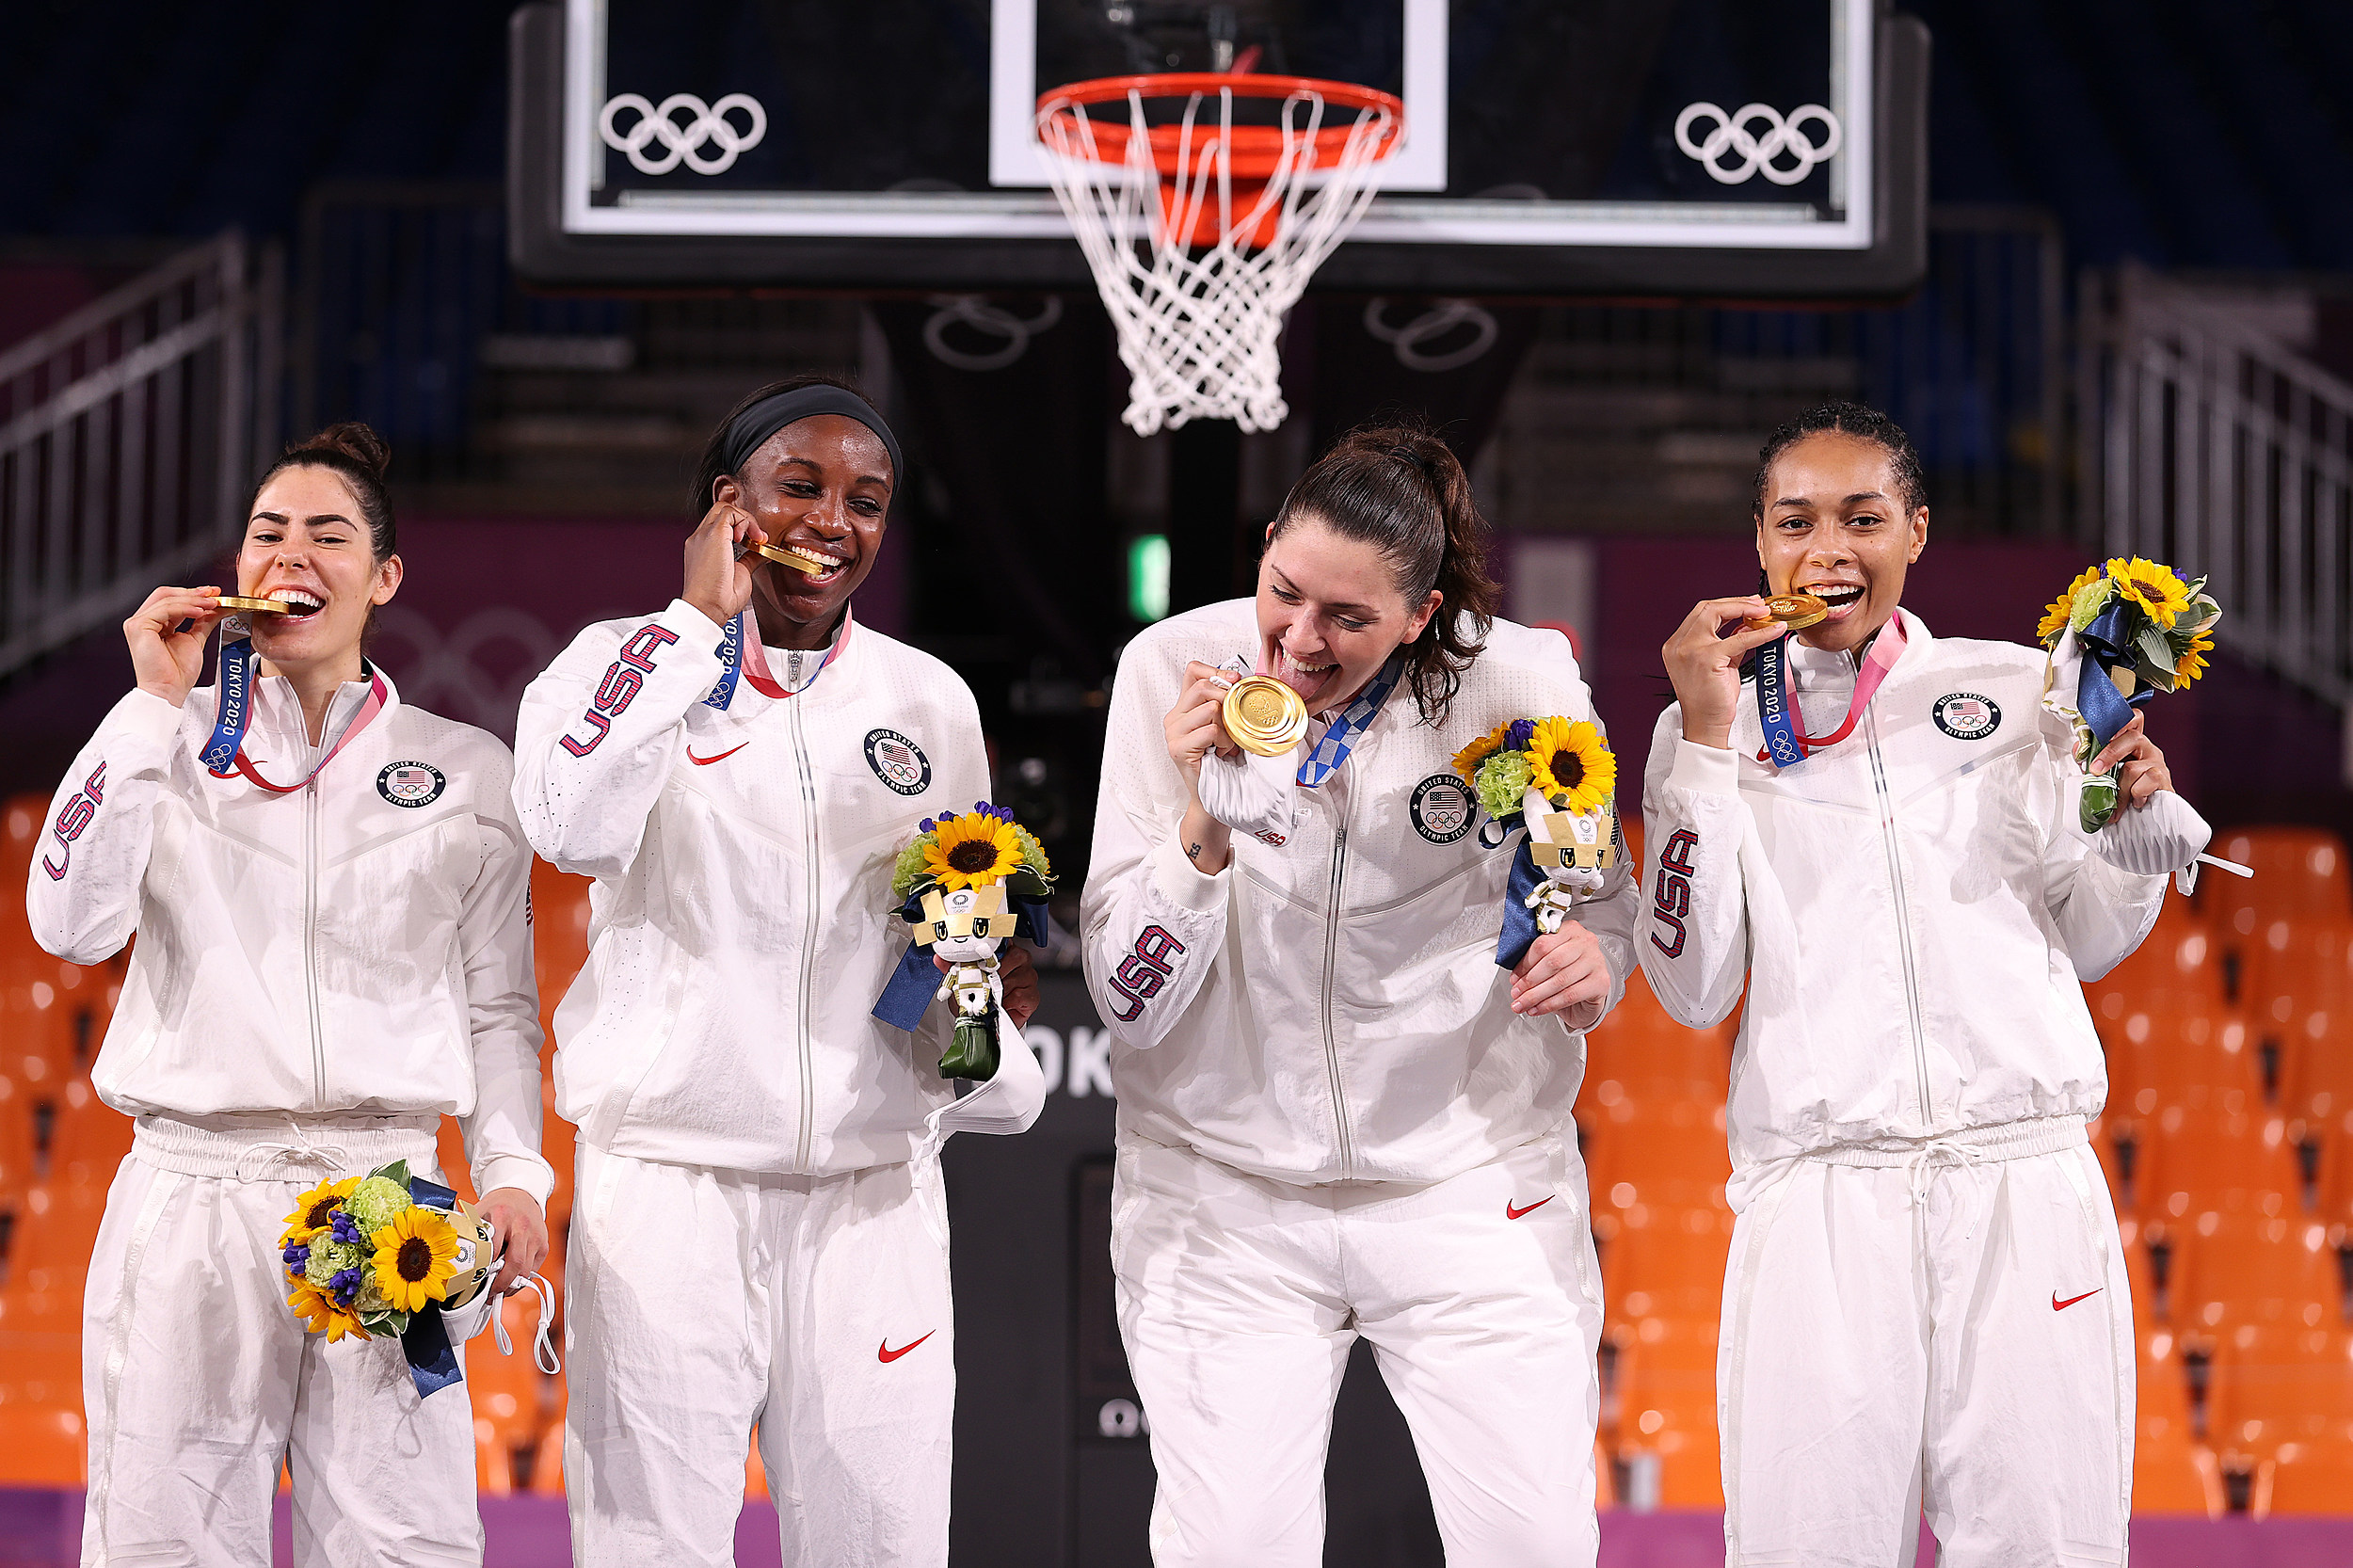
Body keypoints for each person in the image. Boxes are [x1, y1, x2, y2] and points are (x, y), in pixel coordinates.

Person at [1080, 424, 1639, 1568]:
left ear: (1422, 614)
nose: (1298, 639)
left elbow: (1604, 900)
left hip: (1467, 1179)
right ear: (1269, 541)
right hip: (1222, 1193)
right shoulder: (1168, 673)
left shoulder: (1519, 678)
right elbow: (1124, 1001)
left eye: (1348, 620)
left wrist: (1598, 962)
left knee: (1534, 1546)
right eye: (1283, 592)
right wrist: (1202, 826)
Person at [510, 375, 1039, 1568]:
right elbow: (568, 826)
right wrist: (691, 630)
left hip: (872, 1196)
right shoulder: (618, 663)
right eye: (798, 486)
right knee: (650, 1547)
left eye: (866, 499)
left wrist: (982, 988)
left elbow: (964, 917)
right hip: (667, 1185)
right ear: (727, 505)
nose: (832, 520)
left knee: (884, 1546)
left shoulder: (927, 698)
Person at [1642, 401, 2170, 1565]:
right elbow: (1690, 984)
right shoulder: (1710, 723)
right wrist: (1701, 743)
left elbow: (2088, 934)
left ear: (1916, 533)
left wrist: (2127, 830)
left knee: (2048, 1546)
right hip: (1822, 1200)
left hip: (2020, 1185)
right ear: (1759, 544)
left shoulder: (2021, 689)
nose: (1827, 546)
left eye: (1862, 516)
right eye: (1796, 521)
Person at [26, 423, 552, 1567]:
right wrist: (148, 707)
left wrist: (512, 1170)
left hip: (388, 1199)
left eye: (329, 535)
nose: (292, 557)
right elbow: (66, 926)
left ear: (384, 577)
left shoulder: (465, 770)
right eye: (269, 533)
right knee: (165, 1540)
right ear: (235, 567)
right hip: (193, 1189)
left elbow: (499, 1007)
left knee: (401, 1545)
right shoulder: (162, 744)